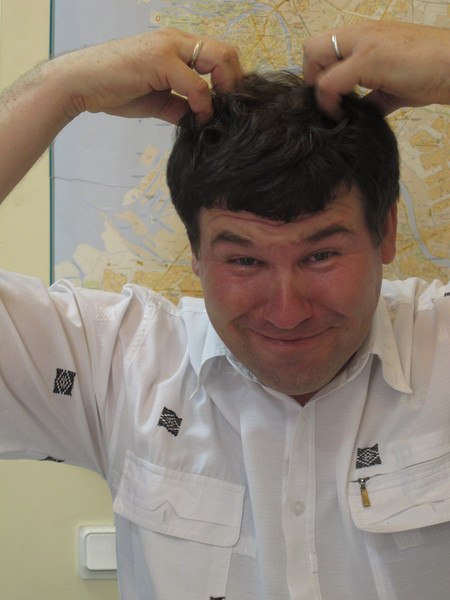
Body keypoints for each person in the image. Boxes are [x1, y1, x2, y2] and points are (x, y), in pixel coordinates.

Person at [0, 20, 449, 600]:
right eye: (244, 261)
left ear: (385, 232)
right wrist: (62, 88)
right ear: (195, 250)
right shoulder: (120, 368)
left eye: (321, 255)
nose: (286, 312)